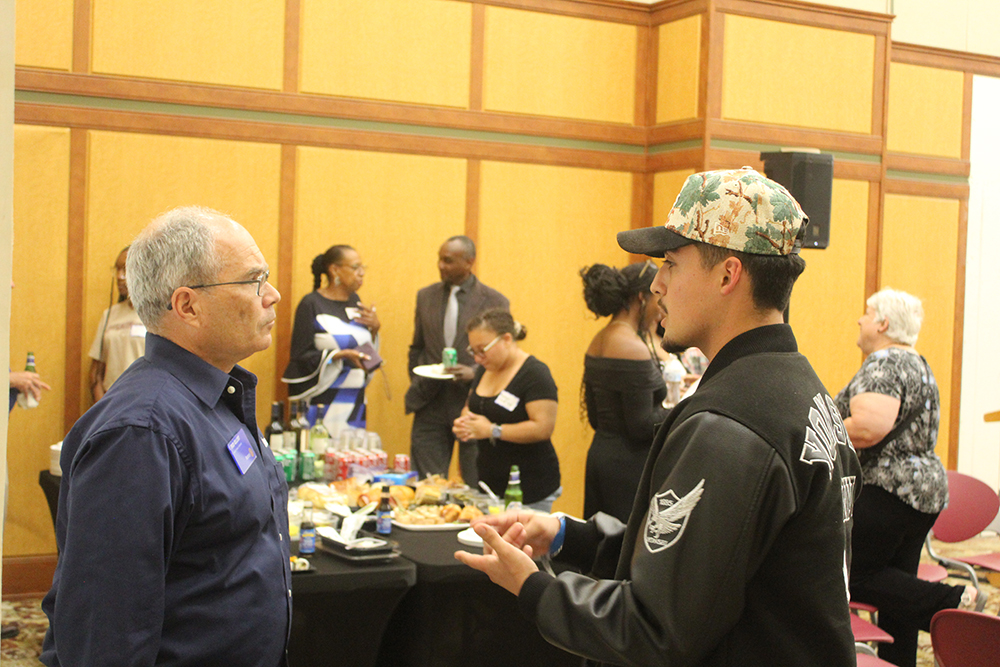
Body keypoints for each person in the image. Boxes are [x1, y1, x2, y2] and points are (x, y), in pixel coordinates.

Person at [455, 167, 863, 667]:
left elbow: (655, 631)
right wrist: (569, 534)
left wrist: (533, 588)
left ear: (728, 274)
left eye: (670, 262)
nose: (657, 283)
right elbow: (708, 564)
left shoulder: (731, 423)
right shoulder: (799, 390)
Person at [40, 206, 291, 666]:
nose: (271, 295)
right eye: (253, 281)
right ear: (187, 306)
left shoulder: (218, 396)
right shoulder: (141, 432)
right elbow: (105, 632)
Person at [835, 287, 979, 667]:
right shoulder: (918, 363)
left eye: (867, 313)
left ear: (882, 323)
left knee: (852, 576)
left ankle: (952, 601)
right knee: (897, 591)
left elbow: (867, 428)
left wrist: (824, 428)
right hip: (923, 492)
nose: (860, 320)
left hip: (890, 489)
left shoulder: (883, 361)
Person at [407, 236, 508, 484]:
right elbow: (417, 347)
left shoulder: (495, 301)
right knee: (427, 486)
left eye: (448, 261)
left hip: (473, 404)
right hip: (429, 401)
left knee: (477, 484)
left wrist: (475, 373)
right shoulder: (425, 296)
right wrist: (418, 377)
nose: (441, 265)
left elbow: (502, 358)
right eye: (440, 259)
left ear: (469, 262)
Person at [579, 261, 667, 522]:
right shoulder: (631, 346)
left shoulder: (599, 339)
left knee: (599, 542)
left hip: (601, 455)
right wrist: (684, 406)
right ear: (641, 297)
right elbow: (641, 425)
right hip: (627, 466)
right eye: (657, 299)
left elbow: (595, 417)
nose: (660, 311)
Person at [452, 309, 560, 512]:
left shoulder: (535, 374)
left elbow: (543, 428)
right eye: (473, 351)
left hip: (529, 486)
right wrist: (464, 422)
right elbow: (471, 405)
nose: (477, 358)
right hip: (489, 483)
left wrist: (493, 430)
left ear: (507, 339)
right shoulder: (486, 369)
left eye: (483, 349)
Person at [282, 244, 380, 433]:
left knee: (349, 457)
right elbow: (299, 356)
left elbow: (365, 349)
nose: (361, 273)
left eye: (363, 268)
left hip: (354, 398)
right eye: (355, 267)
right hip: (321, 398)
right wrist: (338, 355)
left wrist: (375, 329)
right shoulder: (311, 304)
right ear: (334, 269)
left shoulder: (355, 303)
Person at [88, 246, 146, 401]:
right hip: (111, 403)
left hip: (144, 402)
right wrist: (103, 410)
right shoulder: (109, 314)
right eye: (117, 270)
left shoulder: (156, 315)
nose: (120, 277)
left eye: (126, 270)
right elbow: (96, 373)